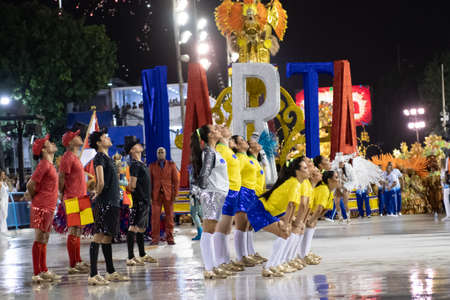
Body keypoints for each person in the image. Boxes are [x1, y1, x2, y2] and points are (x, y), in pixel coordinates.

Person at [245, 156, 309, 277]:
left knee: (286, 232)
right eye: (305, 168)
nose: (308, 170)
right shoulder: (294, 183)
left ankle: (277, 264)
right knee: (284, 233)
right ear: (297, 171)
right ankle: (271, 266)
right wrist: (286, 224)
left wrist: (287, 223)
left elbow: (291, 206)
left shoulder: (297, 183)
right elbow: (291, 205)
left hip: (268, 211)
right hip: (259, 210)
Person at [88, 129, 130, 285]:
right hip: (105, 202)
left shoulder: (109, 158)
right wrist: (97, 194)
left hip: (113, 201)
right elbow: (100, 182)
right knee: (99, 235)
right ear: (99, 143)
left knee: (108, 236)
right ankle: (93, 275)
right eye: (105, 137)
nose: (108, 138)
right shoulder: (99, 158)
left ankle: (110, 271)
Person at [190, 125, 230, 279]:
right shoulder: (208, 152)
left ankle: (213, 265)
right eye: (215, 130)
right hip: (212, 194)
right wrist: (202, 193)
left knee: (211, 232)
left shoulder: (214, 151)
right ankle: (208, 268)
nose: (218, 130)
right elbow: (204, 175)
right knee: (208, 231)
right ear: (210, 135)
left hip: (218, 194)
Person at [27, 135, 61, 283]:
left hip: (49, 205)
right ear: (44, 149)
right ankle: (37, 272)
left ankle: (43, 269)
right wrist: (36, 198)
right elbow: (30, 184)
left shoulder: (49, 165)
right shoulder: (44, 165)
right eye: (49, 142)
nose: (53, 143)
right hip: (41, 205)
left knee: (45, 237)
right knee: (40, 237)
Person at [213, 125, 243, 272]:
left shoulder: (228, 149)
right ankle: (220, 261)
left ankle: (226, 259)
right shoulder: (220, 149)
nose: (225, 127)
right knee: (221, 227)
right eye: (221, 127)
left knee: (227, 228)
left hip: (234, 191)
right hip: (227, 191)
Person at [59, 129, 89, 274]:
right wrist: (62, 195)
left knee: (79, 230)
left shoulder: (75, 157)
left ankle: (78, 260)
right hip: (72, 198)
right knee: (73, 230)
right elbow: (62, 178)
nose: (79, 137)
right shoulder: (67, 157)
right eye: (76, 136)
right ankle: (72, 264)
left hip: (81, 197)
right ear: (70, 142)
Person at [125, 136, 157, 266]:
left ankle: (142, 254)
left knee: (141, 228)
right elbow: (132, 185)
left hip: (144, 200)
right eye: (137, 145)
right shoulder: (134, 165)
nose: (140, 146)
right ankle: (130, 257)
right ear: (133, 150)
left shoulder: (141, 164)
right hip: (138, 201)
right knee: (133, 227)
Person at [231, 135, 260, 267]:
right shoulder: (240, 159)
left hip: (250, 192)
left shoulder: (246, 158)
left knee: (247, 225)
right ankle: (240, 256)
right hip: (242, 191)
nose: (245, 142)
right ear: (236, 146)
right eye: (242, 141)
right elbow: (235, 174)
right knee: (241, 226)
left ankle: (247, 254)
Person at [299, 170, 338, 265]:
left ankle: (304, 254)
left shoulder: (329, 191)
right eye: (336, 177)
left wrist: (313, 219)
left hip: (307, 213)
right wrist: (310, 220)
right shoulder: (324, 189)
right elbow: (319, 208)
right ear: (329, 180)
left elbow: (324, 210)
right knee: (307, 225)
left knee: (312, 223)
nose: (338, 180)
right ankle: (302, 255)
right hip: (301, 212)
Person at [149, 147, 179, 245]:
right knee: (155, 218)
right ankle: (155, 239)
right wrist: (150, 196)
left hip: (168, 195)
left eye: (162, 152)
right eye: (159, 152)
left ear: (165, 153)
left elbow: (176, 181)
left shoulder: (171, 165)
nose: (161, 153)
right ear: (157, 154)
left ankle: (170, 238)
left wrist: (176, 194)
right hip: (156, 196)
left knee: (169, 217)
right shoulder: (152, 166)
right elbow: (150, 182)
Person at [188, 164, 203, 241]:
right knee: (201, 213)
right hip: (199, 194)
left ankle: (201, 232)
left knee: (194, 213)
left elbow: (195, 182)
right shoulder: (195, 167)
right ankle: (205, 232)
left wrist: (193, 193)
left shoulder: (196, 168)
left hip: (196, 194)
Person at [0, 169, 10, 234]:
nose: (3, 176)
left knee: (5, 215)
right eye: (2, 174)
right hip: (1, 201)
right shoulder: (0, 183)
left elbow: (9, 191)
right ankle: (2, 230)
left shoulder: (5, 183)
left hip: (6, 201)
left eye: (4, 174)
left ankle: (4, 229)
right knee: (2, 215)